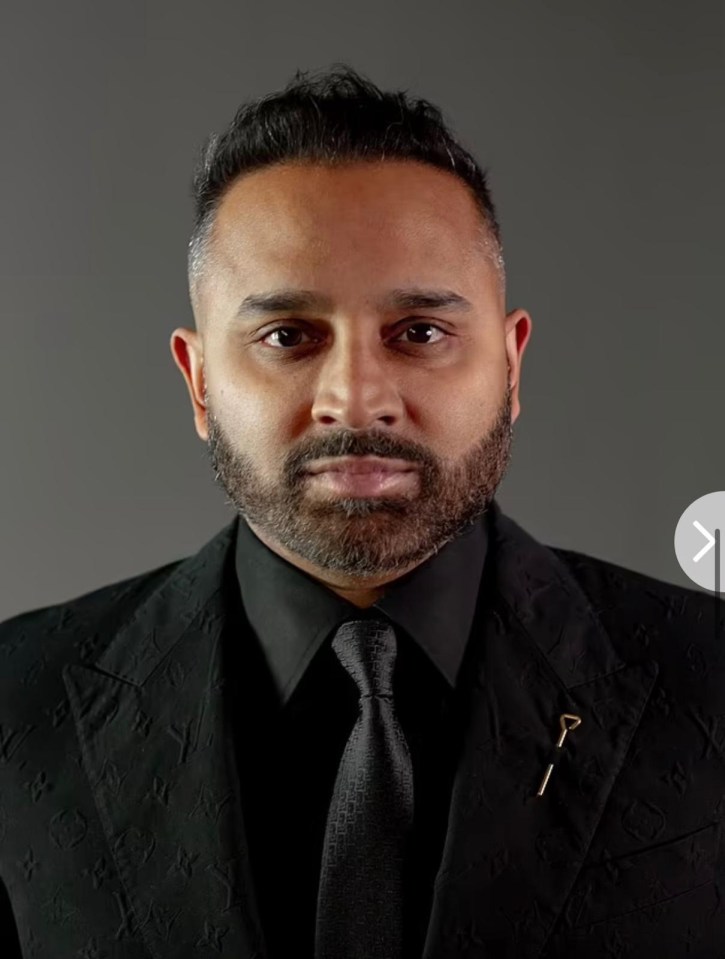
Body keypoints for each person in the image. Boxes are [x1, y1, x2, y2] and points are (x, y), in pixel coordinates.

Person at [0, 63, 723, 959]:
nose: (356, 397)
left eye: (419, 333)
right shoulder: (14, 705)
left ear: (510, 365)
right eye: (287, 337)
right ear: (196, 382)